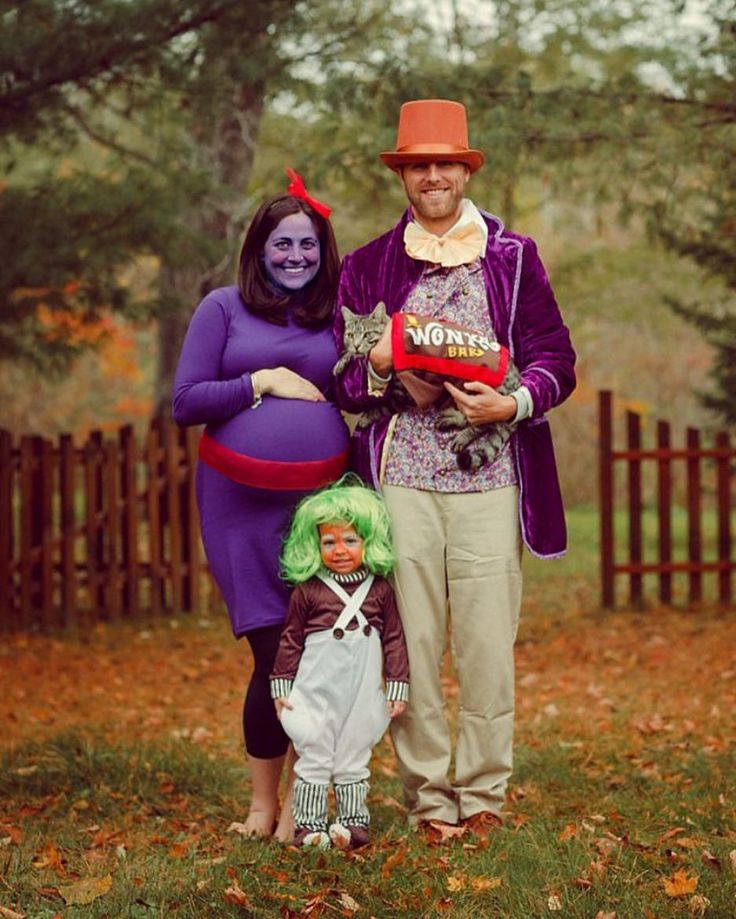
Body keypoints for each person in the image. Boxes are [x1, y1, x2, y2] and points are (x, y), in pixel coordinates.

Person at [334, 99, 576, 836]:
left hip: (492, 476)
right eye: (418, 165)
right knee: (412, 639)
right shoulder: (368, 264)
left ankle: (484, 798)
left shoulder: (513, 256)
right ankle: (431, 801)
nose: (432, 176)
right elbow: (342, 382)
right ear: (402, 175)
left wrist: (510, 407)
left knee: (485, 642)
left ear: (465, 170)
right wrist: (376, 365)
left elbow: (557, 361)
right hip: (403, 476)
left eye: (445, 164)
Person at [172, 170, 350, 842]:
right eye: (283, 243)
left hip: (321, 507)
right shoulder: (221, 308)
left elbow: (355, 392)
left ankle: (306, 801)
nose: (296, 255)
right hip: (237, 507)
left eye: (308, 244)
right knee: (275, 648)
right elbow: (185, 402)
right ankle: (262, 806)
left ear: (322, 250)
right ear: (259, 247)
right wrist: (263, 381)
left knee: (319, 650)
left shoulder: (336, 314)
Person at [271, 476, 409, 849]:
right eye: (329, 541)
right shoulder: (309, 590)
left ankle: (354, 825)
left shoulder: (380, 590)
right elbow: (290, 639)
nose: (340, 549)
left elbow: (394, 638)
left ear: (368, 542)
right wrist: (280, 684)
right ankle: (309, 827)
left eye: (350, 540)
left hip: (362, 691)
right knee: (313, 753)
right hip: (316, 689)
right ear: (314, 544)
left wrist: (397, 684)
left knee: (353, 755)